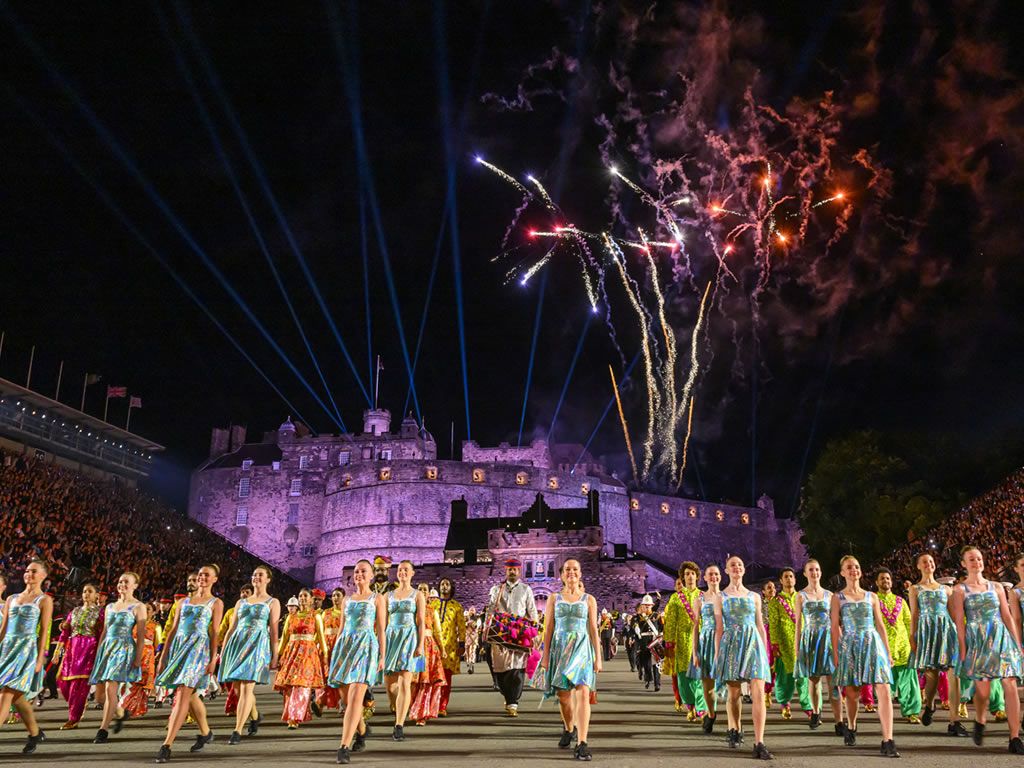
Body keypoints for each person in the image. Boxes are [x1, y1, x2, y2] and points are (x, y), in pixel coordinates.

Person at [950, 545, 1023, 752]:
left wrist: (1016, 642)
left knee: (1010, 684)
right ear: (964, 564)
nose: (977, 562)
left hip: (1000, 637)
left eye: (979, 558)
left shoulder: (997, 587)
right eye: (971, 559)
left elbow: (1007, 616)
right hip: (978, 641)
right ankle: (981, 719)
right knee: (983, 691)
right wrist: (963, 648)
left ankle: (1014, 737)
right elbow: (960, 622)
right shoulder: (959, 590)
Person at [153, 563, 223, 763]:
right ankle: (206, 732)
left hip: (198, 652)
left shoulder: (215, 603)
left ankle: (167, 745)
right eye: (200, 574)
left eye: (207, 575)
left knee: (183, 693)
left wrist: (213, 658)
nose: (202, 578)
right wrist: (164, 657)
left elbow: (215, 632)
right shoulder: (183, 602)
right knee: (190, 696)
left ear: (214, 579)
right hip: (179, 649)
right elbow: (173, 630)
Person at [831, 555, 900, 757]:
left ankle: (888, 740)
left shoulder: (872, 597)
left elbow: (880, 625)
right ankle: (851, 725)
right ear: (843, 572)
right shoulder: (838, 598)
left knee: (884, 689)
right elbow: (835, 627)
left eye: (857, 567)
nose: (854, 570)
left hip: (873, 643)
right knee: (852, 693)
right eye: (849, 567)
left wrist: (887, 652)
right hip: (850, 645)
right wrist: (836, 654)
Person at [534, 559, 600, 761]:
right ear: (561, 575)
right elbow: (548, 629)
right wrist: (544, 657)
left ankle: (582, 743)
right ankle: (568, 727)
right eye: (567, 570)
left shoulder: (589, 599)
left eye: (575, 569)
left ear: (580, 574)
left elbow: (593, 629)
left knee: (582, 692)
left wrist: (598, 658)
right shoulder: (554, 598)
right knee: (564, 696)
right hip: (560, 648)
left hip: (582, 648)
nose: (571, 572)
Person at [712, 555, 773, 760]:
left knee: (758, 692)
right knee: (734, 693)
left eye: (739, 564)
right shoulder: (720, 597)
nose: (736, 567)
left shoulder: (755, 596)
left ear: (744, 570)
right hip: (731, 643)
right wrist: (717, 654)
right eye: (732, 565)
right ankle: (734, 729)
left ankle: (759, 742)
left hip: (753, 643)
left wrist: (765, 652)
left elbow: (759, 625)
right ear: (727, 571)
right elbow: (719, 629)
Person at [327, 558, 387, 764]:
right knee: (345, 699)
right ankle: (362, 729)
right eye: (356, 571)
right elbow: (342, 628)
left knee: (354, 699)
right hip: (345, 647)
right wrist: (334, 653)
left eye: (363, 571)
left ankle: (343, 746)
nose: (359, 574)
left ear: (371, 576)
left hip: (365, 648)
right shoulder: (347, 600)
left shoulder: (377, 599)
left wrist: (382, 656)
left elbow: (381, 629)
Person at [907, 553, 968, 736]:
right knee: (931, 675)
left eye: (931, 561)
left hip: (946, 631)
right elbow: (915, 614)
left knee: (953, 673)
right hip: (927, 631)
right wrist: (912, 636)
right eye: (924, 562)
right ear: (918, 566)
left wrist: (960, 634)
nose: (929, 564)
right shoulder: (915, 589)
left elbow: (953, 614)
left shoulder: (946, 589)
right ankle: (930, 704)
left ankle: (954, 721)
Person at [219, 565, 280, 744]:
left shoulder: (272, 602)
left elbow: (274, 631)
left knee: (247, 688)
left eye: (260, 575)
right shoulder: (241, 602)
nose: (256, 577)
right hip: (237, 645)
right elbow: (231, 629)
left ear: (268, 579)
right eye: (254, 574)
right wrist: (223, 652)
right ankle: (254, 715)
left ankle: (237, 730)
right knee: (237, 689)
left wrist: (274, 654)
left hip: (257, 646)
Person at [0, 559, 54, 754]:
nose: (28, 574)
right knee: (18, 697)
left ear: (43, 576)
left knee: (5, 695)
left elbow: (44, 632)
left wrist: (40, 657)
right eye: (27, 571)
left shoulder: (44, 600)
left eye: (33, 571)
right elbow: (4, 629)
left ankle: (34, 733)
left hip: (25, 652)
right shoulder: (11, 598)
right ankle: (35, 732)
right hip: (7, 650)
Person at [89, 571, 147, 743]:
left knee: (110, 688)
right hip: (107, 649)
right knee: (100, 696)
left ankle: (102, 730)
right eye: (120, 581)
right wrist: (99, 652)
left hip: (123, 649)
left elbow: (142, 636)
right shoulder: (109, 607)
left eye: (126, 582)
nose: (122, 584)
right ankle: (121, 713)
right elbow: (105, 631)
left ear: (135, 585)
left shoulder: (138, 607)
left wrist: (138, 658)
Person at [485, 557, 539, 717]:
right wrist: (487, 627)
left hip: (519, 633)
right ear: (506, 570)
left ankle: (513, 702)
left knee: (517, 668)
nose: (512, 571)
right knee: (500, 669)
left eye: (515, 569)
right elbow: (490, 610)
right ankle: (507, 695)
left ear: (519, 570)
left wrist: (534, 631)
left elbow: (532, 610)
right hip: (500, 633)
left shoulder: (526, 589)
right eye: (510, 569)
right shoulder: (497, 589)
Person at [794, 559, 840, 731]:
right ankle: (815, 711)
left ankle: (838, 720)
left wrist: (839, 644)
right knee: (814, 680)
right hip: (810, 638)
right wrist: (797, 647)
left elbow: (836, 622)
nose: (815, 573)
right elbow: (798, 623)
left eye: (817, 569)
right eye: (811, 570)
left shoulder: (830, 595)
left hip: (828, 638)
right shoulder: (800, 596)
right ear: (805, 573)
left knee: (833, 681)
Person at [382, 561, 424, 740]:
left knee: (405, 682)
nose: (402, 572)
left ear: (412, 573)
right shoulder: (387, 596)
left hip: (408, 638)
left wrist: (420, 644)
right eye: (400, 570)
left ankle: (399, 724)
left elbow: (421, 621)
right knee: (391, 686)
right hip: (391, 638)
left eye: (406, 569)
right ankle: (399, 705)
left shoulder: (418, 595)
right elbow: (381, 622)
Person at [875, 568, 923, 724]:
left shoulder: (900, 601)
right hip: (882, 648)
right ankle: (885, 712)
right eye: (882, 578)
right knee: (885, 683)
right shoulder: (873, 600)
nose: (886, 581)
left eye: (888, 578)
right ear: (877, 582)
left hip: (903, 647)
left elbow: (909, 622)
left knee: (909, 681)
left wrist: (913, 640)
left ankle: (911, 712)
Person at [274, 588, 327, 728]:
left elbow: (321, 639)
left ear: (311, 599)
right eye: (300, 596)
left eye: (305, 596)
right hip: (291, 652)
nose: (302, 598)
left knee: (302, 685)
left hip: (308, 653)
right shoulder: (291, 617)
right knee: (290, 686)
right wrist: (278, 656)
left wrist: (325, 656)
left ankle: (295, 716)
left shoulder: (315, 616)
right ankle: (291, 714)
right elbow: (284, 637)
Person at [54, 580, 104, 729]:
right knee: (63, 683)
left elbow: (101, 634)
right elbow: (65, 633)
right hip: (72, 650)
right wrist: (57, 653)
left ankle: (73, 718)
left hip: (89, 650)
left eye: (89, 591)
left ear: (97, 595)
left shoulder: (100, 612)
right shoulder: (74, 612)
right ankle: (78, 705)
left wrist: (99, 654)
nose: (86, 594)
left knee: (79, 686)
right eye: (84, 591)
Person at [768, 567, 812, 719]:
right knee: (784, 676)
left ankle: (807, 704)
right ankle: (785, 703)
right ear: (781, 580)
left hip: (802, 642)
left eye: (791, 576)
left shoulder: (802, 597)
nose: (789, 579)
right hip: (784, 643)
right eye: (785, 576)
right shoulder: (775, 601)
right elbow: (773, 624)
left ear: (795, 579)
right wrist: (774, 644)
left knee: (803, 675)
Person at [664, 562, 707, 720]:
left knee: (700, 675)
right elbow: (670, 621)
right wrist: (669, 642)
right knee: (684, 676)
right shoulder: (676, 598)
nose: (690, 577)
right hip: (682, 641)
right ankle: (690, 705)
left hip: (701, 640)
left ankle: (701, 706)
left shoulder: (703, 596)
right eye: (687, 574)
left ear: (697, 577)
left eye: (692, 574)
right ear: (683, 577)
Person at [688, 563, 722, 734]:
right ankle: (711, 713)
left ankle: (734, 722)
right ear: (705, 578)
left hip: (724, 641)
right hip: (706, 641)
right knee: (708, 686)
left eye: (716, 574)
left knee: (731, 684)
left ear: (720, 577)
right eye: (711, 574)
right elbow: (695, 627)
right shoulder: (699, 600)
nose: (714, 577)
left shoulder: (727, 597)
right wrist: (695, 652)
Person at [409, 584, 446, 725]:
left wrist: (442, 649)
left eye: (425, 589)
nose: (423, 591)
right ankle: (413, 708)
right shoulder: (412, 610)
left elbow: (438, 631)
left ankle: (422, 713)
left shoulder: (432, 611)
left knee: (425, 681)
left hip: (429, 648)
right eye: (420, 588)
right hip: (415, 647)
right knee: (414, 680)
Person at [217, 583, 253, 718]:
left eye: (247, 592)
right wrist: (220, 645)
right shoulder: (231, 612)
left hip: (248, 649)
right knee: (229, 679)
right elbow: (223, 629)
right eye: (242, 592)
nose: (244, 594)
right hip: (232, 648)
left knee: (242, 680)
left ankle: (238, 706)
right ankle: (244, 707)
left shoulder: (256, 610)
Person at [119, 604, 159, 719]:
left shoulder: (155, 626)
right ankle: (126, 706)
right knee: (131, 682)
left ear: (153, 612)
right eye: (144, 609)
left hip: (147, 656)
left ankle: (135, 708)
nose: (146, 611)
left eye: (149, 609)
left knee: (141, 684)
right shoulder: (134, 625)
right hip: (133, 654)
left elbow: (157, 644)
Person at [435, 576, 465, 717]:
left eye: (447, 584)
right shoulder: (432, 605)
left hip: (450, 646)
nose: (444, 586)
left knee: (446, 678)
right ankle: (432, 704)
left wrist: (462, 643)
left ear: (451, 587)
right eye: (442, 584)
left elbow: (461, 627)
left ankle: (442, 705)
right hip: (434, 645)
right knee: (433, 677)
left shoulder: (456, 606)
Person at [318, 588, 346, 713]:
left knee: (340, 675)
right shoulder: (326, 613)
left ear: (343, 597)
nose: (335, 598)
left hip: (340, 645)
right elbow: (320, 631)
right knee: (326, 675)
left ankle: (342, 702)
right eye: (334, 595)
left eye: (338, 595)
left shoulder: (346, 613)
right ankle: (321, 701)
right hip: (327, 646)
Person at [634, 595, 662, 692]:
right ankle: (648, 679)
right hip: (644, 641)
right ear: (642, 606)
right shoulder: (638, 617)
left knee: (656, 663)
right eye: (645, 605)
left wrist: (661, 636)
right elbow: (634, 624)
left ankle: (657, 683)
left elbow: (661, 627)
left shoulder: (656, 615)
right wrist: (635, 628)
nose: (647, 607)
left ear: (652, 605)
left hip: (654, 641)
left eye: (649, 605)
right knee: (646, 663)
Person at [464, 607, 480, 674]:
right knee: (467, 650)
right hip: (467, 636)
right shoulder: (466, 618)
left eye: (473, 611)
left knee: (472, 651)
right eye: (470, 610)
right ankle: (468, 661)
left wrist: (473, 624)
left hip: (474, 636)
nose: (471, 612)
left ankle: (471, 664)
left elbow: (478, 628)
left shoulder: (477, 619)